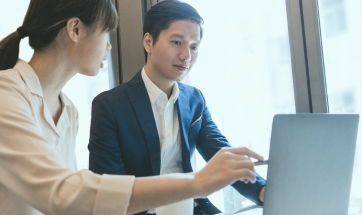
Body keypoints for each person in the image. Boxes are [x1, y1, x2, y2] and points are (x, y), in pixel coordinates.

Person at [0, 0, 265, 214]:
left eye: (194, 46)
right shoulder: (6, 92)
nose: (109, 45)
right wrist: (197, 182)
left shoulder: (68, 110)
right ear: (75, 30)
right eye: (106, 33)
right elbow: (62, 194)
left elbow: (74, 205)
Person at [88, 1, 266, 214]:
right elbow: (109, 191)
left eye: (194, 47)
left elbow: (220, 153)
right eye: (176, 42)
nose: (186, 56)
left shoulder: (194, 99)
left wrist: (265, 191)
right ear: (148, 42)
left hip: (192, 208)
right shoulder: (109, 106)